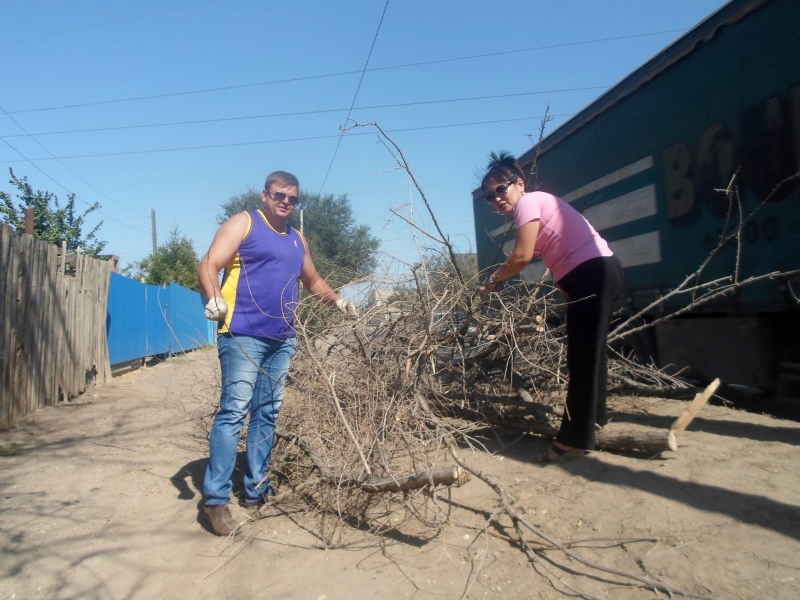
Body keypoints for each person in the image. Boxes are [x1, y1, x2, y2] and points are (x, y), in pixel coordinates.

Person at [197, 170, 356, 536]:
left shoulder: (297, 239)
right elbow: (208, 264)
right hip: (242, 334)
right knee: (234, 412)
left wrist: (339, 302)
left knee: (266, 414)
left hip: (282, 338)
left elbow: (312, 280)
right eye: (279, 195)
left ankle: (256, 489)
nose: (285, 202)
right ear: (265, 195)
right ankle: (216, 501)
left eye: (292, 198)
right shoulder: (244, 223)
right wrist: (214, 299)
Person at [477, 152, 624, 463]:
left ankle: (574, 439)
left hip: (592, 272)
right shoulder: (538, 204)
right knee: (590, 353)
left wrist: (493, 280)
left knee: (581, 358)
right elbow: (562, 246)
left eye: (500, 189)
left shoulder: (528, 202)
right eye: (489, 197)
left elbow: (520, 257)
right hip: (592, 273)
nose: (496, 199)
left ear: (518, 184)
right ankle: (596, 420)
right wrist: (566, 290)